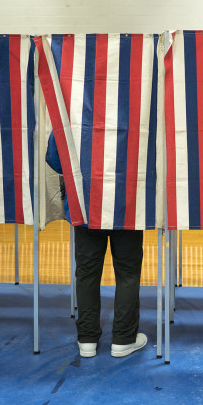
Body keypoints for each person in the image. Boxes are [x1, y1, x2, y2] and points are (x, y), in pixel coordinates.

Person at [46, 133, 147, 358]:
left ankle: (87, 340)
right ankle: (124, 339)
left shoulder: (72, 107)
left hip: (85, 200)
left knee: (87, 273)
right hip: (126, 201)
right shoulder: (137, 107)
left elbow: (54, 159)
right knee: (128, 272)